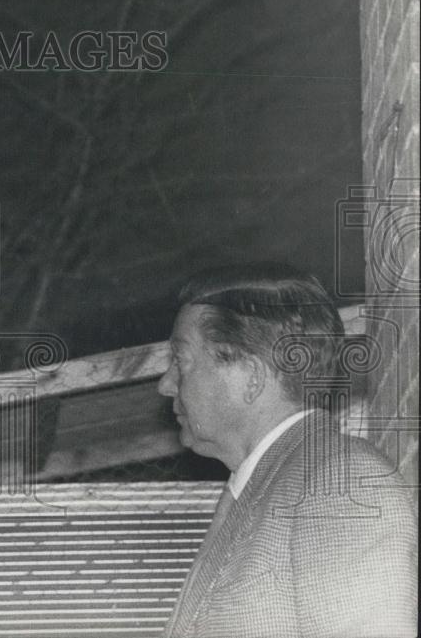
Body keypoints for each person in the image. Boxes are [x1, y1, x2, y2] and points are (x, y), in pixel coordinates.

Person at [157, 263, 417, 638]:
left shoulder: (340, 482)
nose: (166, 385)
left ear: (250, 376)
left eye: (180, 361)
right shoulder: (262, 490)